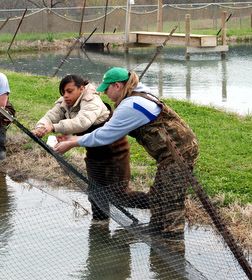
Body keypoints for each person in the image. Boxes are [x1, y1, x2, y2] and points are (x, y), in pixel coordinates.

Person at [54, 67, 199, 236]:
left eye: (107, 89)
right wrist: (74, 139)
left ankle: (170, 244)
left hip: (179, 153)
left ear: (118, 86)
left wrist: (74, 142)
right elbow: (106, 131)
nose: (105, 94)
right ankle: (158, 239)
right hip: (171, 153)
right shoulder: (136, 93)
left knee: (168, 205)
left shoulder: (131, 105)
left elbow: (105, 135)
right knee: (159, 198)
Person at [32, 74, 148, 222]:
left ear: (81, 89)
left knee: (120, 196)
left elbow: (82, 123)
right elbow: (50, 116)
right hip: (94, 155)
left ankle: (159, 204)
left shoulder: (93, 101)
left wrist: (53, 128)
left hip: (114, 154)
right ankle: (99, 225)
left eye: (69, 91)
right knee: (95, 194)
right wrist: (40, 128)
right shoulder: (65, 102)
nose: (66, 96)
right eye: (63, 92)